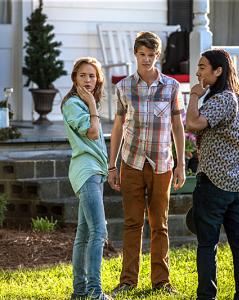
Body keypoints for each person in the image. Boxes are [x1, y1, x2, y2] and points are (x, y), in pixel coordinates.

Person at [108, 31, 186, 295]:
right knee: (132, 223)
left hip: (162, 164)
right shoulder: (123, 88)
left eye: (151, 55)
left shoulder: (172, 87)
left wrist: (181, 164)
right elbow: (118, 127)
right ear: (135, 54)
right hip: (131, 162)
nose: (146, 59)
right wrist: (113, 165)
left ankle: (161, 282)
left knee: (159, 224)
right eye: (142, 54)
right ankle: (128, 280)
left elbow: (177, 126)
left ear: (158, 56)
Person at [186, 49, 239, 300]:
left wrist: (194, 96)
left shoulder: (222, 100)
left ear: (218, 71)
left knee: (207, 245)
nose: (198, 72)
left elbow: (193, 124)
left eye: (202, 67)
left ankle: (206, 297)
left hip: (215, 184)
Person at [61, 57, 112, 300]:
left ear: (98, 79)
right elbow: (92, 133)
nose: (88, 80)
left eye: (92, 76)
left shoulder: (84, 103)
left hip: (95, 172)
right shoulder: (74, 104)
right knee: (99, 232)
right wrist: (92, 106)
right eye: (83, 75)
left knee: (83, 234)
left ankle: (80, 292)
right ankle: (95, 292)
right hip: (86, 171)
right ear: (74, 78)